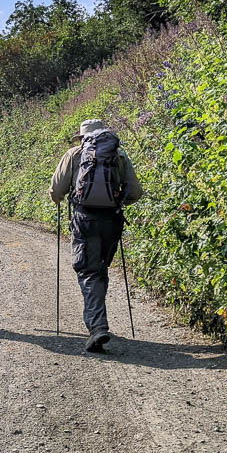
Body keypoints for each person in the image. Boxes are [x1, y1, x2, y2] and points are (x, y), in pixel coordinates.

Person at [49, 119, 143, 352]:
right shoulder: (118, 155)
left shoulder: (73, 154)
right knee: (99, 269)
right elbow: (136, 192)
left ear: (83, 137)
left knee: (89, 271)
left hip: (85, 220)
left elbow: (56, 189)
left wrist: (59, 199)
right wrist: (118, 202)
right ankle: (98, 319)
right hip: (112, 220)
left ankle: (98, 327)